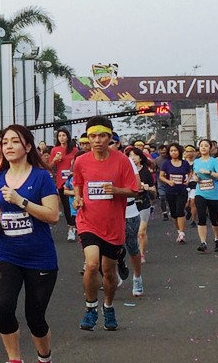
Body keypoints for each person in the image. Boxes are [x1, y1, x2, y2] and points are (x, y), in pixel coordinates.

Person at [0, 125, 60, 363]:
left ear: (27, 147)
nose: (7, 146)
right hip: (7, 253)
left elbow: (53, 215)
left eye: (14, 142)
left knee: (35, 316)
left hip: (40, 257)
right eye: (4, 142)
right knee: (4, 307)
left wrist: (22, 201)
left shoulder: (41, 177)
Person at [72, 116, 139, 332]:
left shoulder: (122, 161)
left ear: (110, 137)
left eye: (102, 135)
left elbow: (134, 189)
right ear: (87, 138)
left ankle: (108, 307)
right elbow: (78, 183)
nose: (97, 140)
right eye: (93, 136)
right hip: (88, 221)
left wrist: (117, 190)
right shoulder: (81, 161)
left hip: (113, 225)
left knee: (108, 273)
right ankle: (90, 308)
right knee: (91, 265)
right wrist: (77, 198)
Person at [127, 146, 155, 293]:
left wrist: (146, 187)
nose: (132, 157)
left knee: (141, 232)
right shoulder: (124, 169)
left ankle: (141, 253)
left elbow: (153, 188)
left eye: (135, 155)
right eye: (130, 155)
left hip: (143, 203)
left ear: (140, 157)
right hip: (128, 205)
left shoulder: (145, 172)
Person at [191, 138, 218, 252]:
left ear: (210, 148)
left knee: (214, 219)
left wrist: (210, 173)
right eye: (201, 146)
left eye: (206, 146)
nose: (204, 148)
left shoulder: (214, 161)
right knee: (201, 217)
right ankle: (203, 242)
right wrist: (195, 178)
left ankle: (217, 239)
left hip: (214, 194)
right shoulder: (196, 161)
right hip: (200, 192)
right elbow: (194, 174)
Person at [49, 127, 79, 242]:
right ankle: (70, 228)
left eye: (63, 135)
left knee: (76, 205)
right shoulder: (55, 150)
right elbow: (50, 167)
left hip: (74, 182)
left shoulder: (74, 150)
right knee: (66, 206)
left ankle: (77, 225)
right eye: (59, 136)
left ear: (68, 136)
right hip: (62, 182)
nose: (61, 138)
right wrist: (55, 160)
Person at [158, 143, 192, 243]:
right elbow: (161, 176)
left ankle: (182, 233)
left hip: (181, 190)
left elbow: (190, 172)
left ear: (179, 151)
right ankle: (178, 230)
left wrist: (188, 180)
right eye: (171, 151)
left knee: (180, 211)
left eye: (175, 150)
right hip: (170, 191)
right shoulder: (166, 163)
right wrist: (168, 181)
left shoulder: (184, 163)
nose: (174, 152)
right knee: (174, 214)